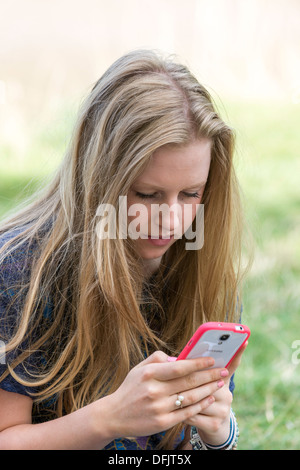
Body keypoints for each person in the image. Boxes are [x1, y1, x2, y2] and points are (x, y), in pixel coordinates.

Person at [0, 49, 248, 450]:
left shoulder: (204, 272)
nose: (170, 220)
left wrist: (216, 434)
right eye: (147, 194)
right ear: (98, 180)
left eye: (190, 193)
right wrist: (109, 418)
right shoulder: (19, 272)